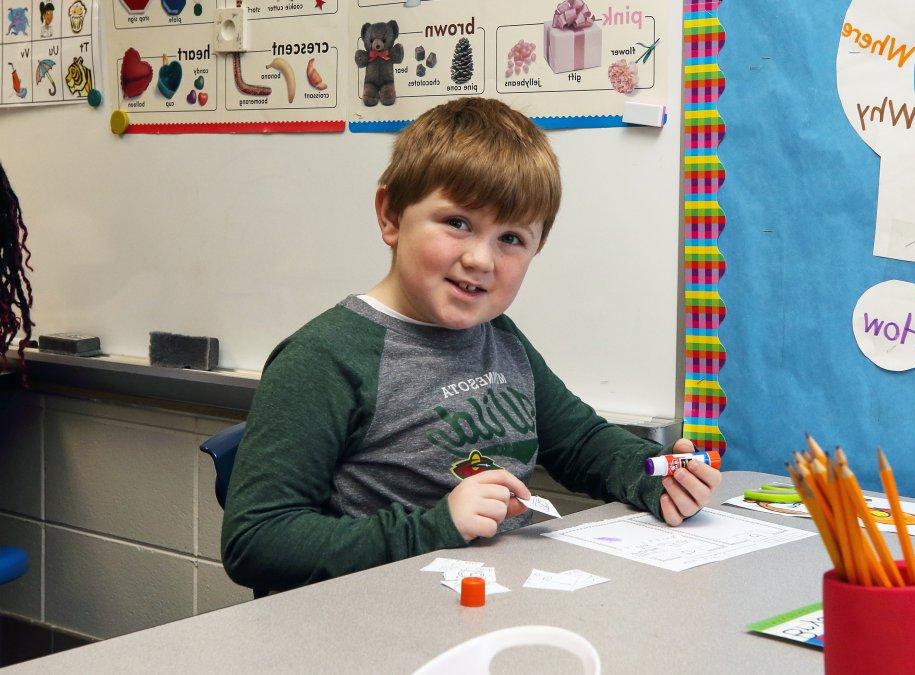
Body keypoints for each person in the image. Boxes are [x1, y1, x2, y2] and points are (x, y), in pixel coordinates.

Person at [221, 97, 721, 592]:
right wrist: (437, 527)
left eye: (511, 239)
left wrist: (655, 477)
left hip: (495, 606)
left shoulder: (498, 336)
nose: (481, 259)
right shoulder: (325, 358)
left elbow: (582, 443)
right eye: (458, 223)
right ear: (391, 215)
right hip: (378, 623)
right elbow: (257, 541)